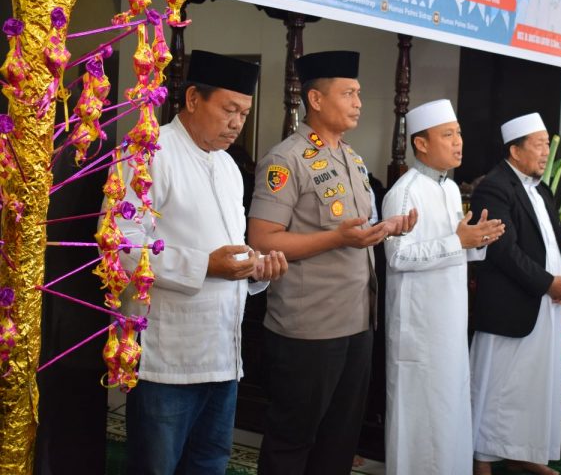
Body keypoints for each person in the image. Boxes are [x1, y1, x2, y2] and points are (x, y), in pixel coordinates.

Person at [118, 50, 288, 474]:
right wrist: (206, 266)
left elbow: (229, 253)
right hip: (167, 358)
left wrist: (256, 269)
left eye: (244, 114)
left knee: (210, 464)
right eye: (228, 109)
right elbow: (120, 247)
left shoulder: (230, 167)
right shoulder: (147, 153)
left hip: (223, 355)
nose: (236, 123)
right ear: (193, 99)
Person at [247, 51, 416, 475]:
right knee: (292, 440)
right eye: (348, 93)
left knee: (339, 440)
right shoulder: (285, 160)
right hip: (308, 326)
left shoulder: (353, 160)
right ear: (316, 100)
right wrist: (337, 238)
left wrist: (387, 228)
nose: (359, 101)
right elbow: (263, 240)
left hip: (357, 320)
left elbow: (356, 229)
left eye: (359, 93)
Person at [382, 100, 504, 475]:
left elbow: (455, 250)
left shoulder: (450, 189)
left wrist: (477, 242)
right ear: (420, 143)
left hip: (449, 326)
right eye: (448, 135)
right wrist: (459, 242)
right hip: (419, 332)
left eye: (459, 133)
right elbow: (398, 256)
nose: (458, 142)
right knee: (419, 425)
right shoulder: (404, 193)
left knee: (449, 416)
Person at [470, 113, 561, 475]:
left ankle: (520, 454)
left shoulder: (540, 187)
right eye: (539, 144)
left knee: (532, 386)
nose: (546, 152)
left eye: (548, 144)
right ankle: (481, 461)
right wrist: (548, 283)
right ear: (515, 151)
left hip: (544, 305)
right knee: (495, 388)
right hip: (510, 307)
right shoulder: (495, 187)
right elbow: (503, 250)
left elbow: (558, 240)